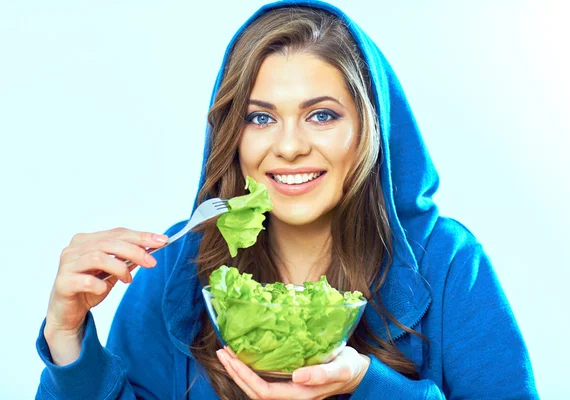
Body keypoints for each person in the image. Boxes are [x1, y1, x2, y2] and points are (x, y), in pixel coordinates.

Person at [36, 1, 539, 399]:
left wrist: (368, 386)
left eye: (322, 115)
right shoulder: (178, 265)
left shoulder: (446, 261)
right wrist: (67, 335)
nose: (291, 145)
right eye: (261, 118)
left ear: (369, 130)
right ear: (231, 135)